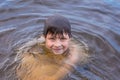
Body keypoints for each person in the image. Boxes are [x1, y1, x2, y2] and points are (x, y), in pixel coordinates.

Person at [16, 14, 88, 80]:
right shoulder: (38, 44)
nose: (57, 44)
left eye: (63, 39)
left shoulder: (74, 52)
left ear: (70, 38)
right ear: (44, 38)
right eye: (52, 39)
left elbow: (56, 76)